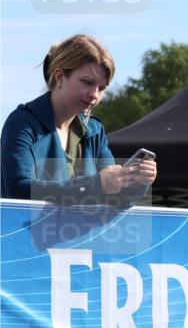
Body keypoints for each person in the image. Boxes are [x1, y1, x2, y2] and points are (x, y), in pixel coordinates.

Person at [1, 34, 156, 205]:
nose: (95, 94)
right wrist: (95, 185)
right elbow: (20, 191)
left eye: (102, 88)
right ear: (60, 77)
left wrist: (136, 182)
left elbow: (113, 197)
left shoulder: (95, 130)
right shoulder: (22, 123)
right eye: (87, 82)